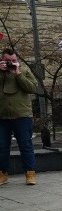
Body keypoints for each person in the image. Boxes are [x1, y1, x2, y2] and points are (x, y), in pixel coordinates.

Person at [0, 49, 38, 186]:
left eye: (14, 60)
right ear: (2, 60)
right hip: (2, 116)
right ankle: (2, 173)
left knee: (25, 145)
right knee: (2, 146)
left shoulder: (24, 70)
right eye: (8, 61)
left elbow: (33, 88)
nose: (12, 63)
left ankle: (30, 173)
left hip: (22, 115)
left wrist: (18, 74)